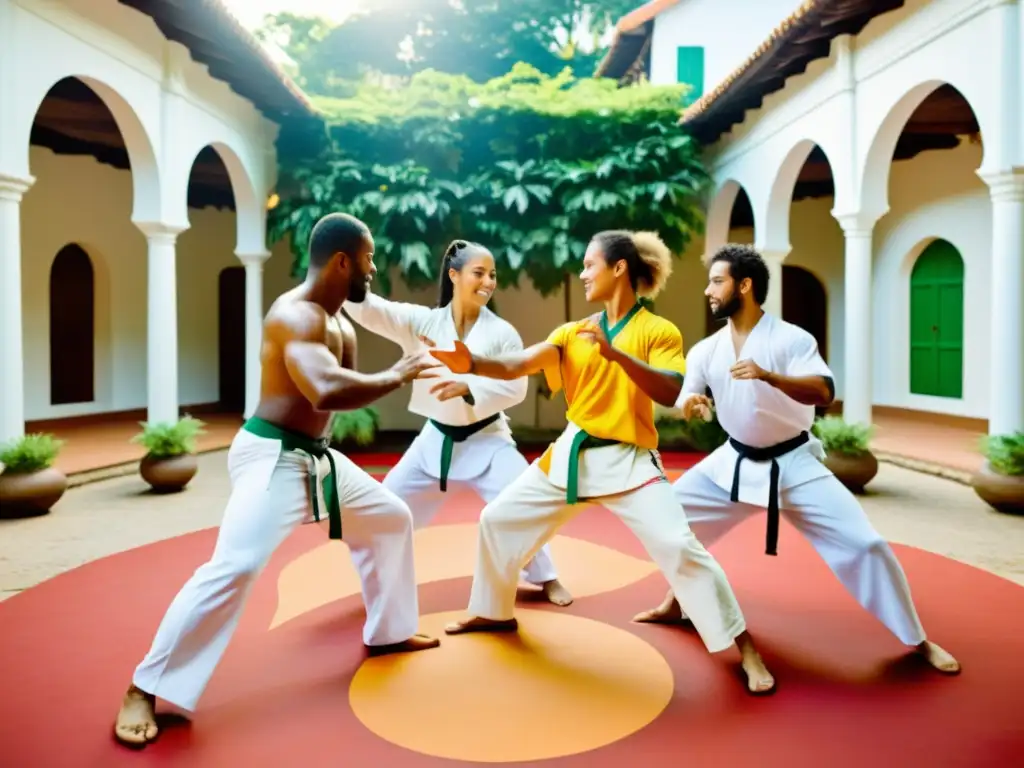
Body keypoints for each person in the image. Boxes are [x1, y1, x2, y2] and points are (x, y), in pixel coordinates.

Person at [113, 213, 444, 748]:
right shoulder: (295, 315)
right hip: (271, 456)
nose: (374, 268)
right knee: (236, 566)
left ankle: (390, 633)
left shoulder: (340, 321)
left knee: (390, 519)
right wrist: (398, 373)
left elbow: (337, 394)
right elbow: (322, 390)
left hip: (316, 459)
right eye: (369, 258)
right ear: (342, 261)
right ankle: (143, 686)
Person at [428, 230, 776, 694]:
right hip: (572, 454)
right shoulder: (572, 333)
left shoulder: (658, 330)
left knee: (679, 546)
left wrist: (615, 354)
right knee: (498, 518)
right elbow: (519, 364)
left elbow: (672, 391)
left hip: (629, 461)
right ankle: (492, 610)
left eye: (590, 265)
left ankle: (744, 647)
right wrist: (473, 362)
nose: (582, 273)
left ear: (618, 269)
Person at [632, 243, 960, 676]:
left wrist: (769, 376)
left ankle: (917, 639)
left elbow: (823, 392)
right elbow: (690, 395)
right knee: (668, 523)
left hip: (794, 464)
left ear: (744, 286)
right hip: (730, 462)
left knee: (867, 546)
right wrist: (692, 404)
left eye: (717, 281)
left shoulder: (791, 339)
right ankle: (679, 602)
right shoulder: (706, 350)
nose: (709, 291)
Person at [344, 239, 573, 605]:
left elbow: (516, 389)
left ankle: (546, 578)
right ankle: (382, 581)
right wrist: (354, 279)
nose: (488, 282)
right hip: (433, 440)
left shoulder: (501, 333)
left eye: (492, 275)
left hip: (488, 440)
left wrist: (469, 387)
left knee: (520, 506)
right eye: (479, 273)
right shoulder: (423, 322)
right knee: (387, 509)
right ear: (454, 274)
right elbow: (375, 311)